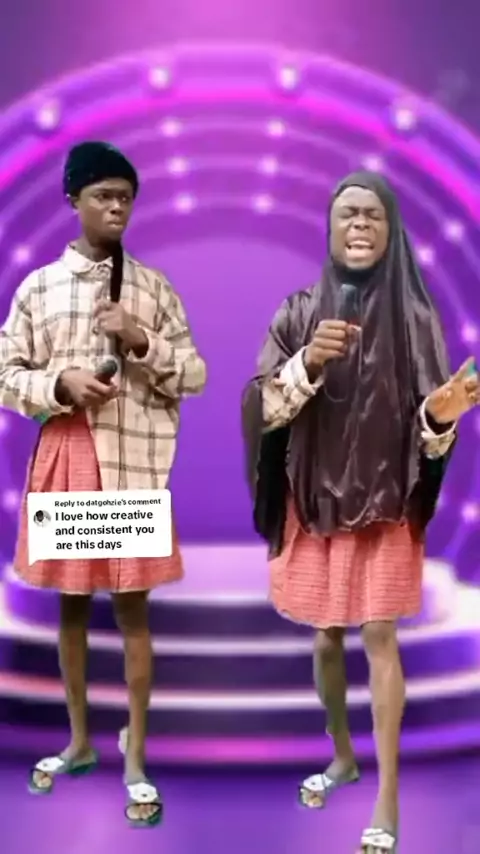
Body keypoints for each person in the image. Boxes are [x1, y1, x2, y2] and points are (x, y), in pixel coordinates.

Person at [241, 171, 479, 853]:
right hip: (315, 499)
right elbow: (262, 408)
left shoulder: (417, 320)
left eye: (374, 215)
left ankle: (387, 798)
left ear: (391, 231)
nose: (360, 226)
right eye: (348, 214)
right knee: (325, 638)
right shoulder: (297, 312)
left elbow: (429, 429)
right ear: (330, 228)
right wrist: (306, 365)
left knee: (379, 635)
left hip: (386, 503)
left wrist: (442, 414)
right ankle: (342, 754)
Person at [0, 141, 207, 827]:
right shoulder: (38, 287)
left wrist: (142, 340)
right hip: (66, 458)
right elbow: (4, 371)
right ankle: (79, 741)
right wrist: (58, 383)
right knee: (70, 608)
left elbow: (195, 374)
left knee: (132, 612)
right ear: (73, 200)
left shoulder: (152, 287)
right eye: (102, 196)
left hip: (134, 464)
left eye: (125, 197)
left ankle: (136, 755)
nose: (116, 207)